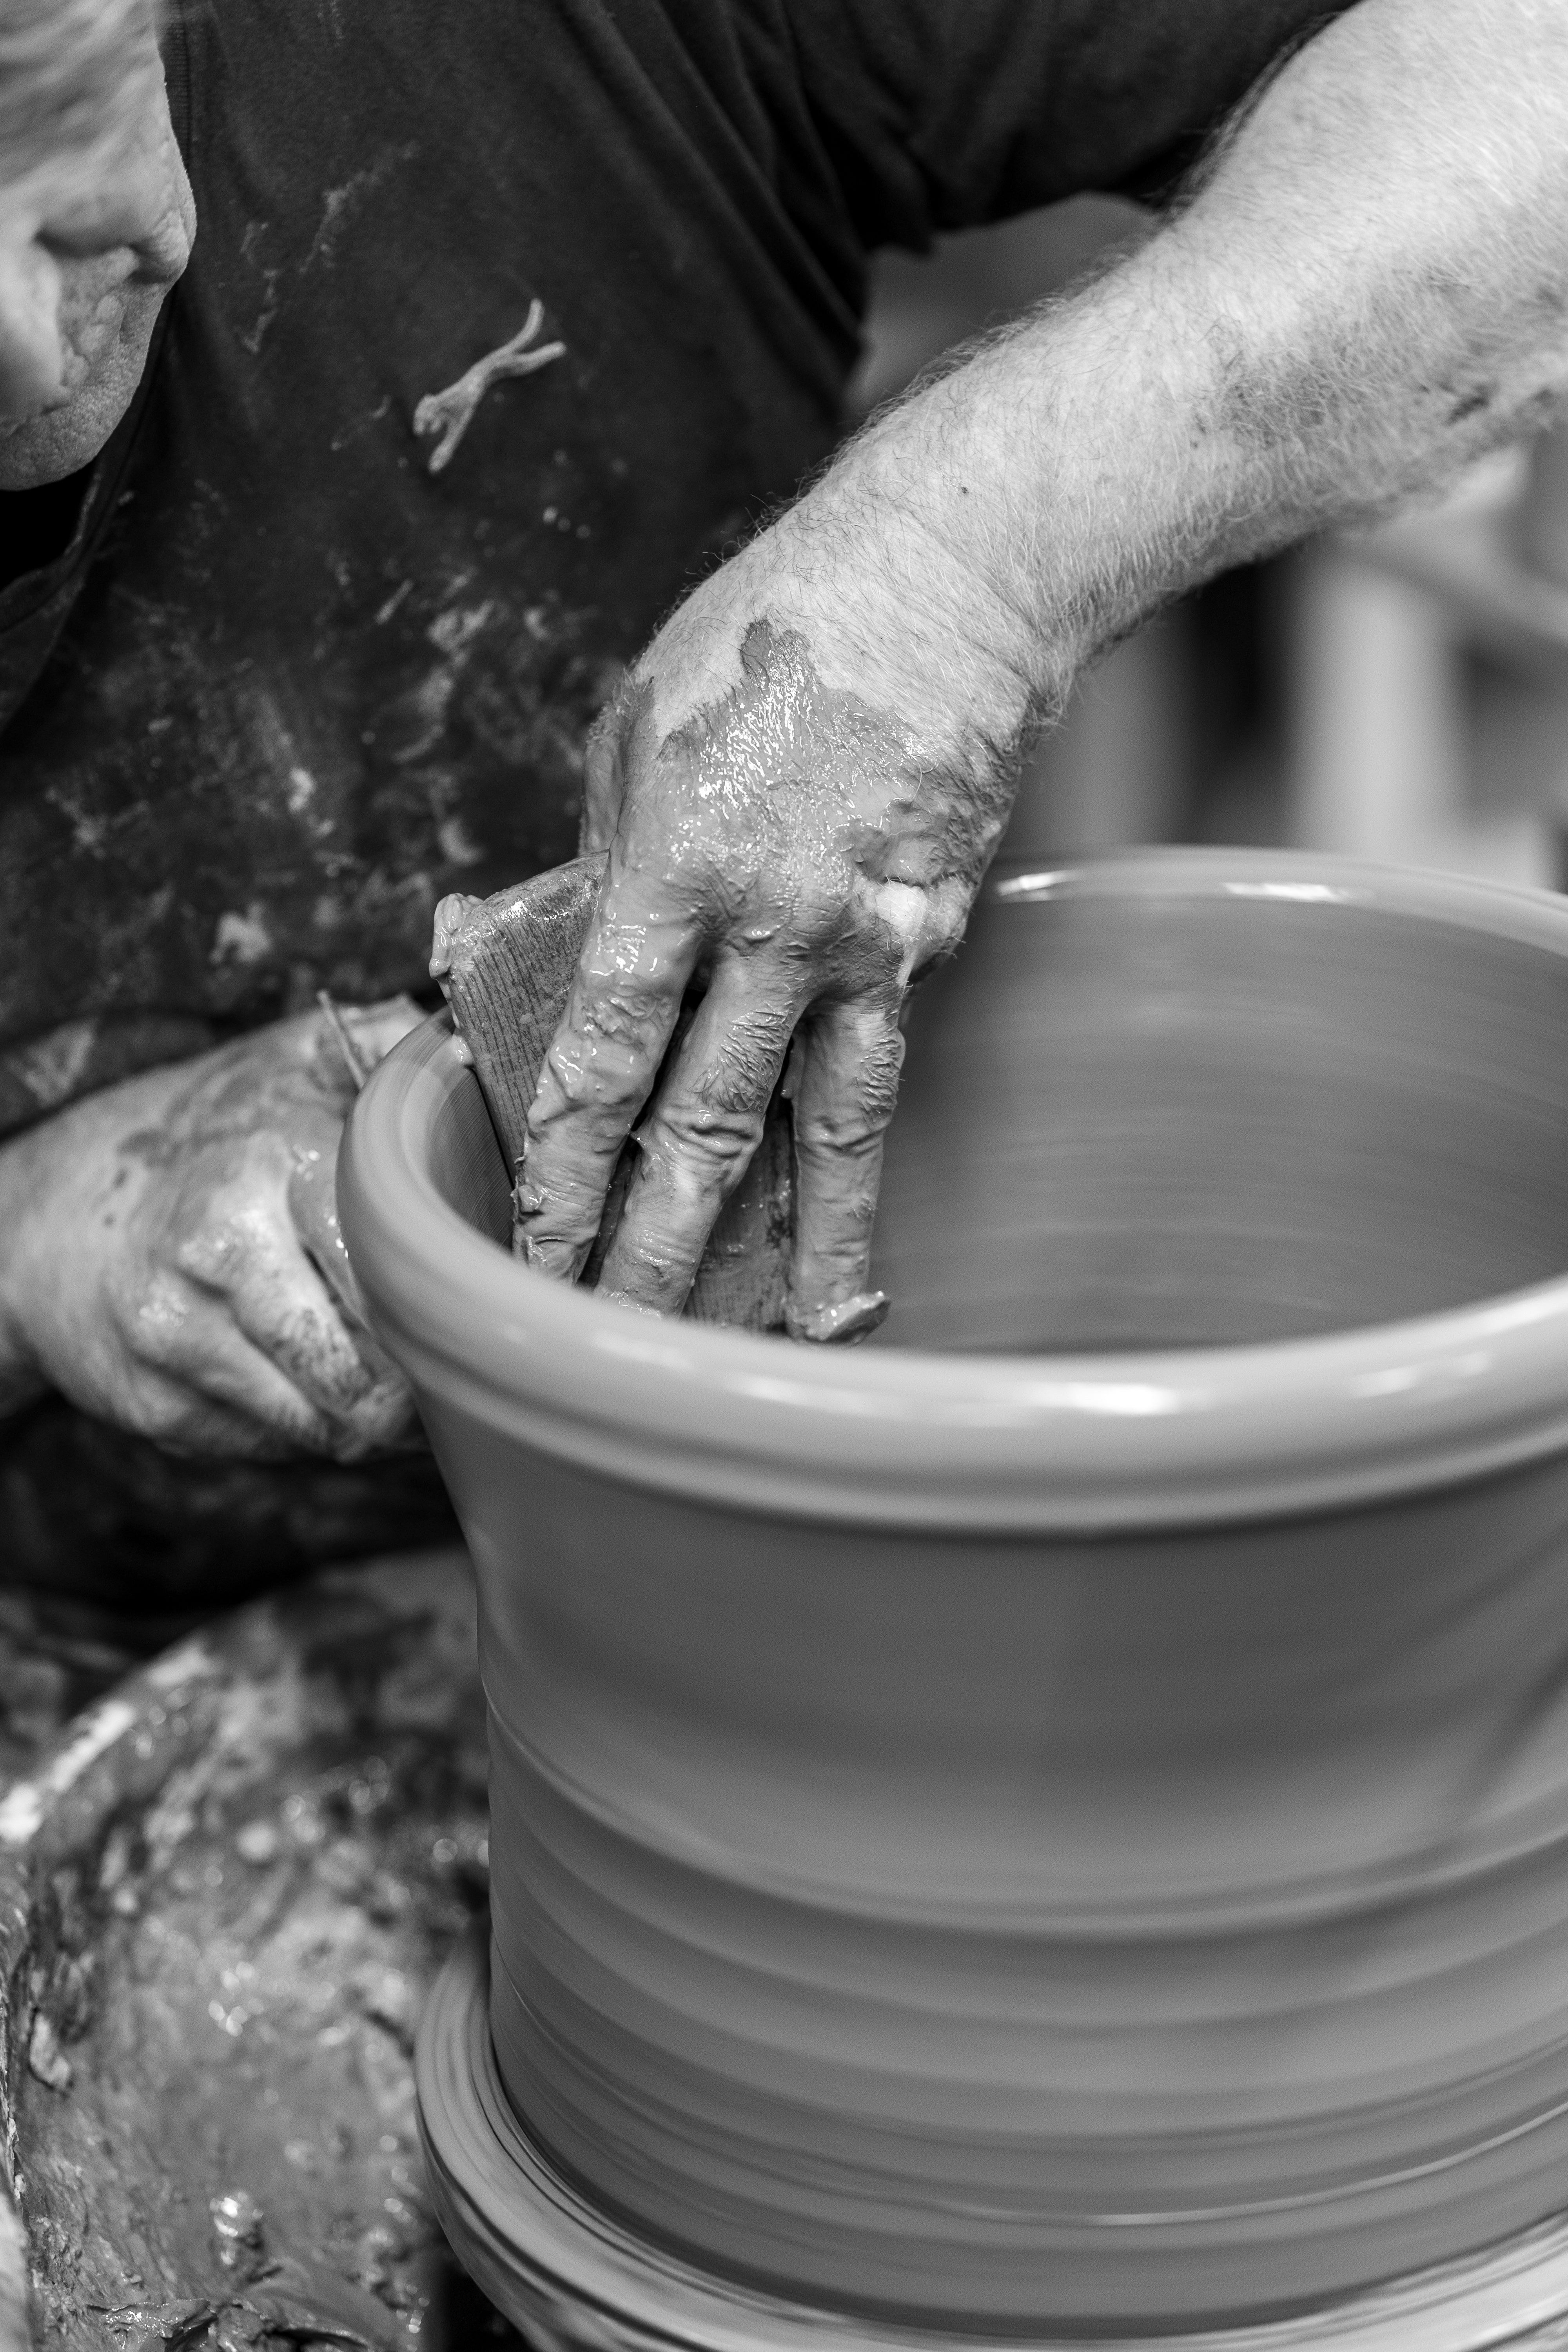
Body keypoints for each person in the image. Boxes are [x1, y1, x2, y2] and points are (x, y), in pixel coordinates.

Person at [1, 0, 1564, 1601]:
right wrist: (31, 1236)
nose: (44, 345)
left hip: (796, 1555)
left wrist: (956, 568)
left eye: (62, 152)